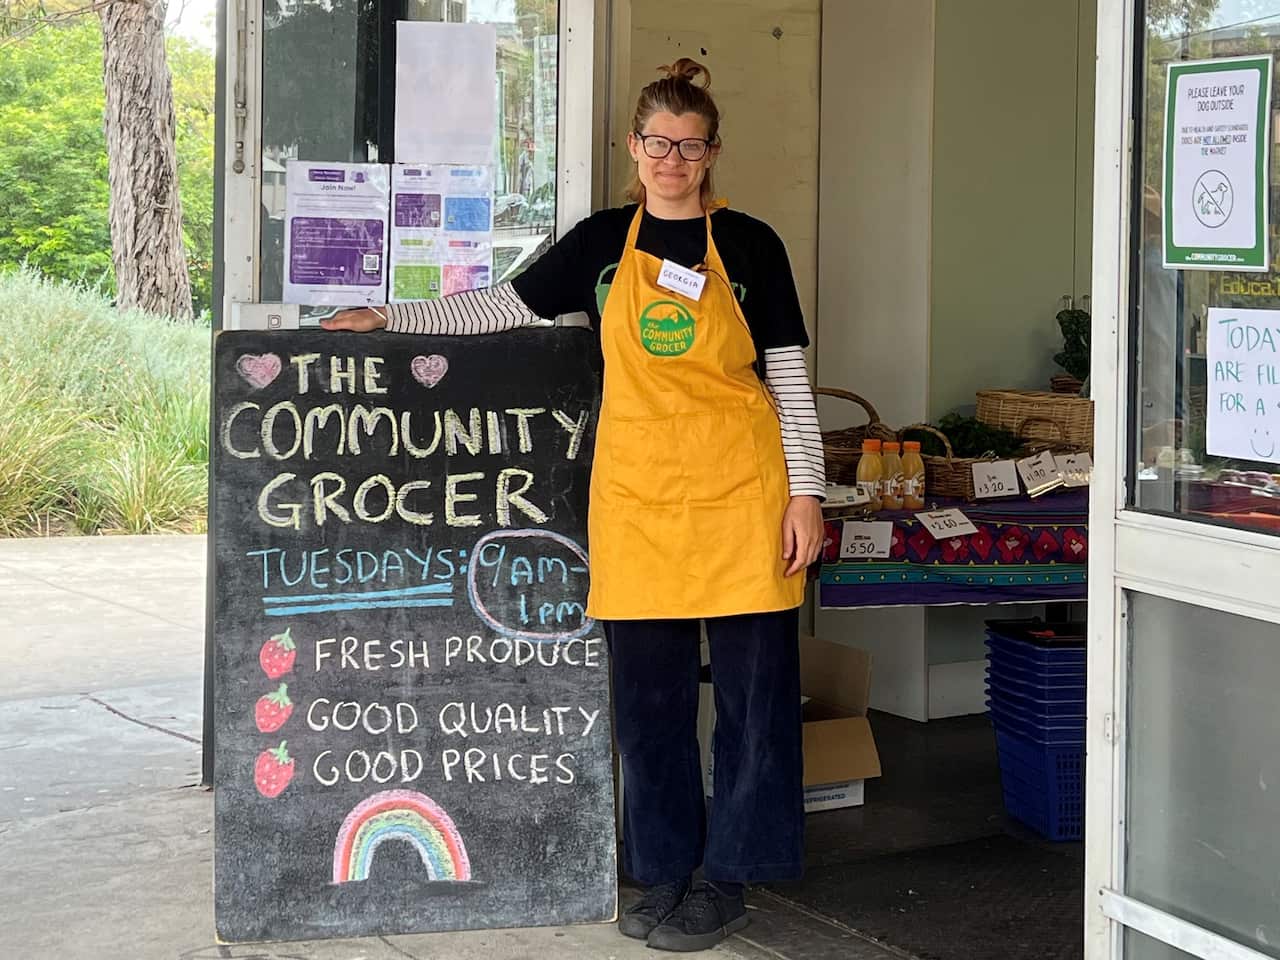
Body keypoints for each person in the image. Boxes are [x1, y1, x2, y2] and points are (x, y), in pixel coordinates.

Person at [323, 58, 826, 952]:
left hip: (744, 493)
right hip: (636, 499)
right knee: (650, 703)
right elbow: (498, 307)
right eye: (658, 143)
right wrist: (388, 316)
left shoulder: (750, 245)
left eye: (691, 145)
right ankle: (667, 869)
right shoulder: (601, 242)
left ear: (713, 153)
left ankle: (731, 877)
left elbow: (787, 380)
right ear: (635, 147)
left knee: (755, 704)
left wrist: (808, 495)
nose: (674, 159)